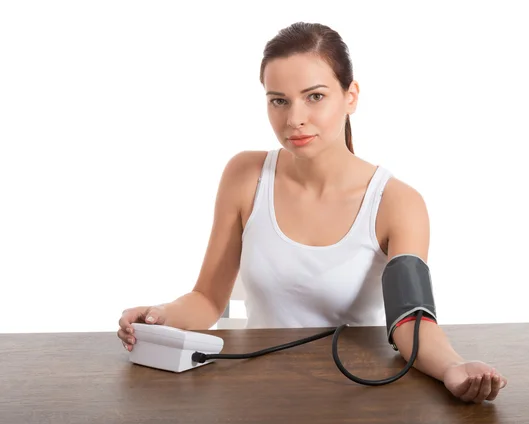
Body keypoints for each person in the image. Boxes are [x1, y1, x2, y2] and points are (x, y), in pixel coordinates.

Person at [117, 22, 507, 403]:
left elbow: (410, 322)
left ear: (350, 96)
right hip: (257, 391)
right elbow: (207, 298)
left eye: (315, 96)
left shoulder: (397, 202)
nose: (293, 119)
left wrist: (454, 367)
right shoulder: (245, 175)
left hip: (359, 393)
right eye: (279, 100)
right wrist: (159, 317)